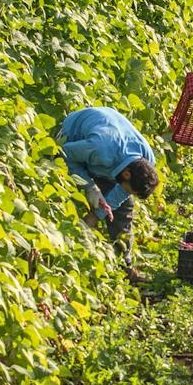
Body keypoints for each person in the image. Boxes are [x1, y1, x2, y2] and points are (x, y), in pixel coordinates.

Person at [55, 106, 161, 276]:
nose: (127, 193)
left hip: (111, 150)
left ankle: (124, 265)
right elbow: (62, 154)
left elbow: (122, 193)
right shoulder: (100, 149)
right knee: (73, 198)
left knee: (123, 209)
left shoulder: (146, 160)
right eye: (130, 190)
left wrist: (96, 215)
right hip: (74, 138)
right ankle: (65, 253)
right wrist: (90, 187)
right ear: (127, 174)